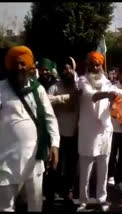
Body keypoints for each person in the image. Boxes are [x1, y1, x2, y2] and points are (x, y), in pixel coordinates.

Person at [0, 46, 60, 211]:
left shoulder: (38, 89)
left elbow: (50, 118)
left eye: (22, 64)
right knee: (5, 207)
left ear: (28, 65)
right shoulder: (1, 89)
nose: (18, 68)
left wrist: (54, 144)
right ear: (8, 66)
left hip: (34, 159)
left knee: (35, 205)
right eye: (15, 64)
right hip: (5, 161)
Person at [77, 51, 122, 212]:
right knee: (86, 169)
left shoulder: (108, 83)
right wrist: (108, 94)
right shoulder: (83, 81)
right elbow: (90, 96)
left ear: (101, 66)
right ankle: (83, 200)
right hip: (88, 131)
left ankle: (102, 198)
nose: (94, 67)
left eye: (97, 64)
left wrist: (116, 98)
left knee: (103, 168)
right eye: (92, 64)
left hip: (105, 131)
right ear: (88, 65)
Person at [47, 56, 80, 209]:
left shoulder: (79, 87)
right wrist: (65, 98)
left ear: (74, 70)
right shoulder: (55, 87)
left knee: (72, 167)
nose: (67, 71)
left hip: (74, 134)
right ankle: (51, 195)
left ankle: (68, 193)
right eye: (65, 68)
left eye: (70, 68)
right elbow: (47, 101)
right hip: (58, 136)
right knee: (55, 166)